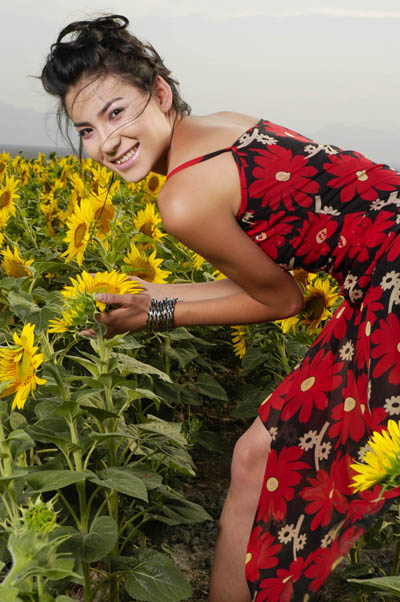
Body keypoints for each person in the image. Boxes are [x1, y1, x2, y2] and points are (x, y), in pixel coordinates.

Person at [41, 14, 400, 602]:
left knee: (268, 462)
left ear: (159, 92)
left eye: (116, 112)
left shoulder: (183, 197)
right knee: (256, 457)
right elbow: (282, 272)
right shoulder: (226, 126)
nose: (106, 142)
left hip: (390, 280)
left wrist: (156, 313)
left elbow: (282, 300)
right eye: (87, 128)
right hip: (379, 275)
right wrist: (153, 296)